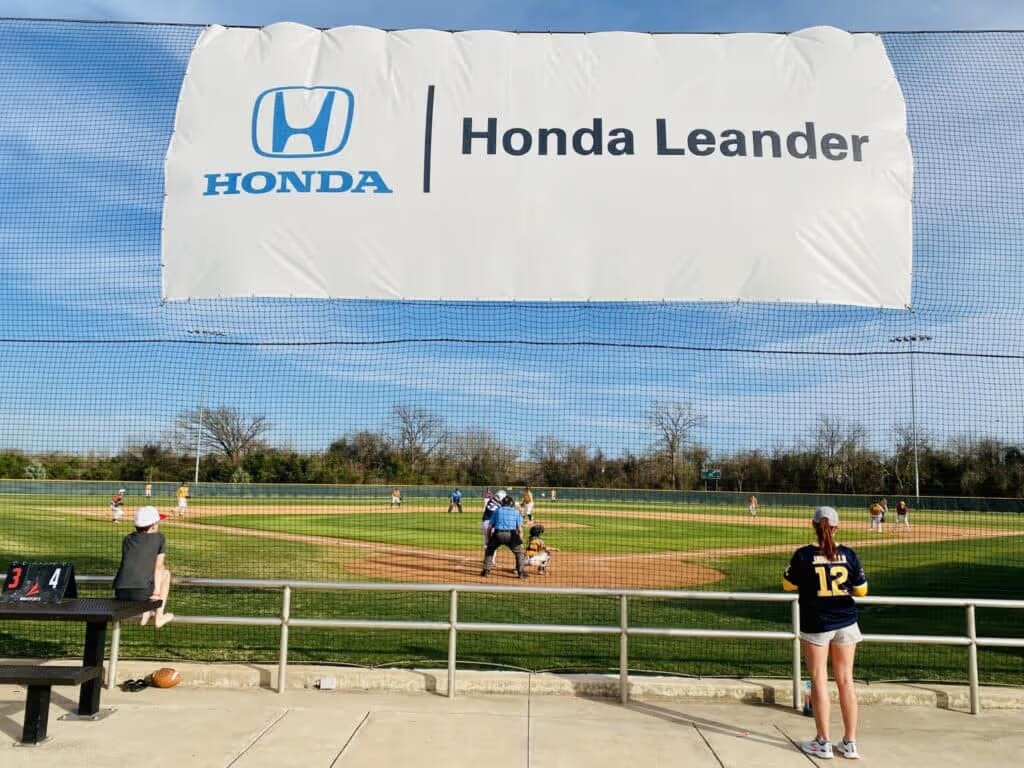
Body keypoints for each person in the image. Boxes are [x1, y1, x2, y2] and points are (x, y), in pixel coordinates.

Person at [783, 506, 868, 760]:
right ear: (836, 528)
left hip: (817, 623)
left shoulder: (804, 555)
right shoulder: (849, 555)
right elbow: (861, 590)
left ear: (813, 525)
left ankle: (823, 741)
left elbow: (787, 583)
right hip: (846, 622)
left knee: (819, 678)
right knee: (846, 680)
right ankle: (850, 742)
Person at [113, 506, 174, 628]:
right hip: (141, 594)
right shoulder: (159, 538)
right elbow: (159, 567)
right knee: (166, 573)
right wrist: (156, 592)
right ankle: (159, 617)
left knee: (143, 578)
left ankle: (145, 615)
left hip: (120, 592)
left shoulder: (127, 539)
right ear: (153, 525)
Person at [481, 493, 527, 579]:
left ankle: (486, 571)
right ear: (511, 503)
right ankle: (520, 572)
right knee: (519, 553)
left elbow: (489, 528)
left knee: (489, 551)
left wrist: (489, 540)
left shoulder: (497, 511)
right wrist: (520, 542)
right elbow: (520, 529)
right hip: (511, 535)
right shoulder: (516, 512)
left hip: (498, 534)